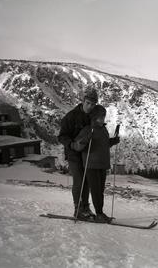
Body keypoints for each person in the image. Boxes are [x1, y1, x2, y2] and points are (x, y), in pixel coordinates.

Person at [73, 105, 120, 223]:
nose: (103, 119)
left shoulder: (103, 130)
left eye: (103, 116)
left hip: (102, 164)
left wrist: (112, 141)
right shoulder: (88, 129)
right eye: (100, 117)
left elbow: (103, 145)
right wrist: (85, 140)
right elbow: (78, 146)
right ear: (94, 117)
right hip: (91, 165)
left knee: (100, 191)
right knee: (95, 190)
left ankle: (100, 212)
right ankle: (99, 213)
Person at [58, 87, 99, 219]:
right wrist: (71, 144)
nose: (90, 106)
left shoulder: (93, 117)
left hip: (86, 154)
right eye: (88, 103)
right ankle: (78, 208)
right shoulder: (71, 116)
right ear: (82, 101)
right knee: (79, 180)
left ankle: (85, 208)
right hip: (73, 154)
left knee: (86, 181)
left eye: (93, 104)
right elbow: (61, 136)